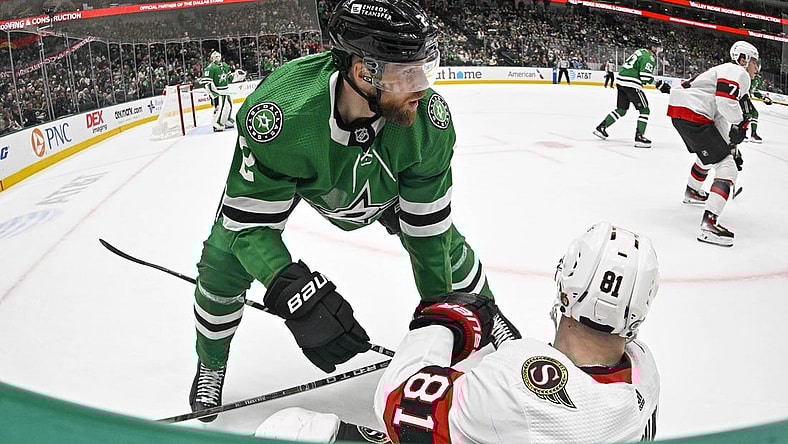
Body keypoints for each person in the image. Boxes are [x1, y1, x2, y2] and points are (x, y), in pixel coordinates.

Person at [189, 0, 500, 422]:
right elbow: (249, 227)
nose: (424, 86)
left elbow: (429, 232)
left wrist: (441, 320)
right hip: (309, 176)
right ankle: (211, 362)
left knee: (451, 253)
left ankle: (491, 324)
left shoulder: (427, 122)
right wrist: (290, 288)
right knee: (221, 264)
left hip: (384, 192)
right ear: (362, 72)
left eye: (427, 67)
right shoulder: (280, 116)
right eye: (408, 72)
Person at [255, 222, 661, 443]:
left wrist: (445, 321)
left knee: (294, 429)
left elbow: (397, 403)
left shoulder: (512, 389)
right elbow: (549, 386)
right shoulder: (644, 377)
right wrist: (507, 346)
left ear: (565, 285)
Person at [667, 40, 760, 247]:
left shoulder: (722, 71)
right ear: (743, 59)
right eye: (755, 62)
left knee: (708, 155)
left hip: (682, 112)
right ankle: (709, 224)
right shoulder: (738, 72)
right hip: (694, 113)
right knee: (728, 168)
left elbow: (719, 116)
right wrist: (741, 123)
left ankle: (692, 191)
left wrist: (731, 146)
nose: (757, 69)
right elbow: (726, 101)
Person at [593, 37, 665, 148]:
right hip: (631, 84)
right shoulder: (649, 57)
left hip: (621, 82)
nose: (659, 50)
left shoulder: (639, 51)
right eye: (658, 47)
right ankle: (639, 137)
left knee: (621, 110)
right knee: (645, 110)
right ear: (653, 47)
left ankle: (601, 127)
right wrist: (659, 84)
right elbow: (645, 77)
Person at [199, 51, 245, 132]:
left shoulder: (224, 65)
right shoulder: (210, 68)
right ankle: (217, 123)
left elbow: (229, 77)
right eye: (215, 57)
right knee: (220, 107)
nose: (217, 58)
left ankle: (226, 120)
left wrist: (237, 76)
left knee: (229, 106)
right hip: (218, 92)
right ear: (212, 58)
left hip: (226, 90)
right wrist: (212, 92)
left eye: (218, 56)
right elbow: (206, 82)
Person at [744, 72, 772, 143]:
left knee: (755, 113)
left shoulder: (757, 79)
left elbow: (755, 92)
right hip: (742, 98)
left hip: (747, 99)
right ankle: (741, 133)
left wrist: (763, 98)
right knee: (747, 115)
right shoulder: (747, 76)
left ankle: (753, 134)